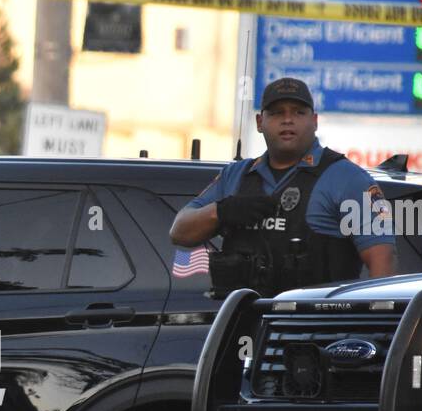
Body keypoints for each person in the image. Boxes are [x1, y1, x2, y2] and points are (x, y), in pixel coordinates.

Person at [169, 78, 397, 297]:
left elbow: (382, 259)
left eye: (299, 112)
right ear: (260, 122)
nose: (288, 120)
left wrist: (368, 323)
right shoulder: (236, 175)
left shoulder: (347, 178)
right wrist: (221, 211)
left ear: (315, 121)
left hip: (316, 328)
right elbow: (179, 232)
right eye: (277, 112)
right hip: (244, 326)